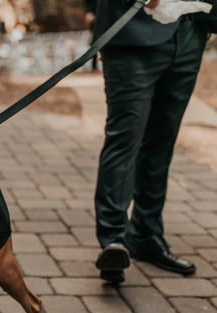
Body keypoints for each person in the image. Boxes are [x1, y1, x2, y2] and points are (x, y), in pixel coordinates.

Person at [93, 0, 210, 283]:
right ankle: (113, 240)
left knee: (161, 144)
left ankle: (146, 235)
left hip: (191, 32)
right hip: (133, 34)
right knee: (125, 141)